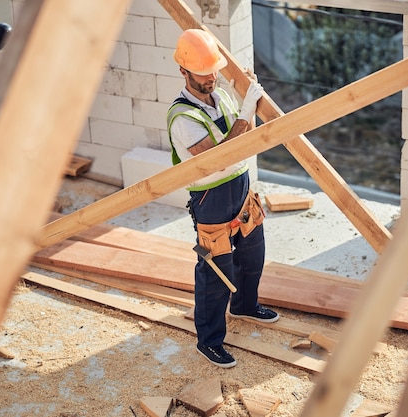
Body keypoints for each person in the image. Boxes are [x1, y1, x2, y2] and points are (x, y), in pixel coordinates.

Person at [167, 29, 279, 368]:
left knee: (252, 253)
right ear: (183, 71)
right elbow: (221, 157)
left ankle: (245, 305)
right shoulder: (183, 118)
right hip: (210, 197)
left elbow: (243, 143)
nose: (210, 78)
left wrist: (247, 98)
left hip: (240, 187)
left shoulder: (222, 98)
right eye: (202, 73)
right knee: (215, 271)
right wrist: (247, 110)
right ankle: (209, 340)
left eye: (213, 70)